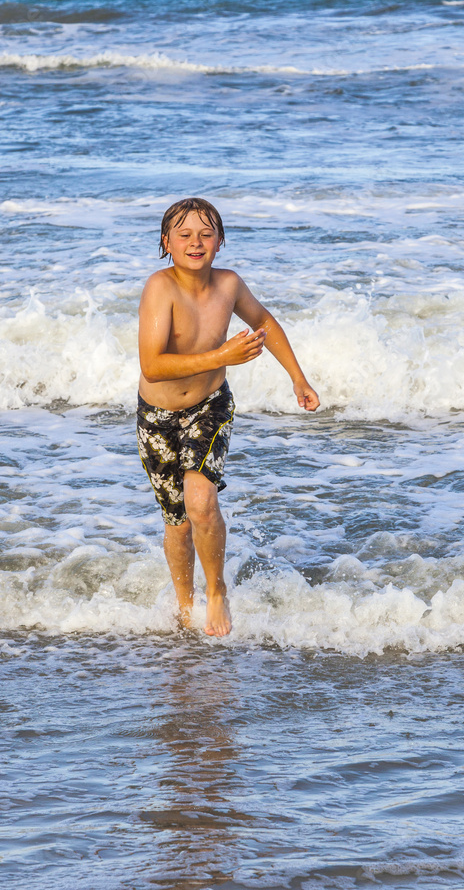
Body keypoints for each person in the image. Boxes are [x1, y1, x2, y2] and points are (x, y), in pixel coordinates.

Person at [137, 196, 320, 637]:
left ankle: (216, 591)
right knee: (177, 523)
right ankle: (185, 605)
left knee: (201, 501)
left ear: (220, 242)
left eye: (206, 233)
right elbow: (152, 365)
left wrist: (298, 378)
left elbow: (265, 322)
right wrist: (222, 354)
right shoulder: (160, 288)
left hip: (209, 406)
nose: (195, 242)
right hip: (157, 417)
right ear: (167, 242)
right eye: (184, 235)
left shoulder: (229, 285)